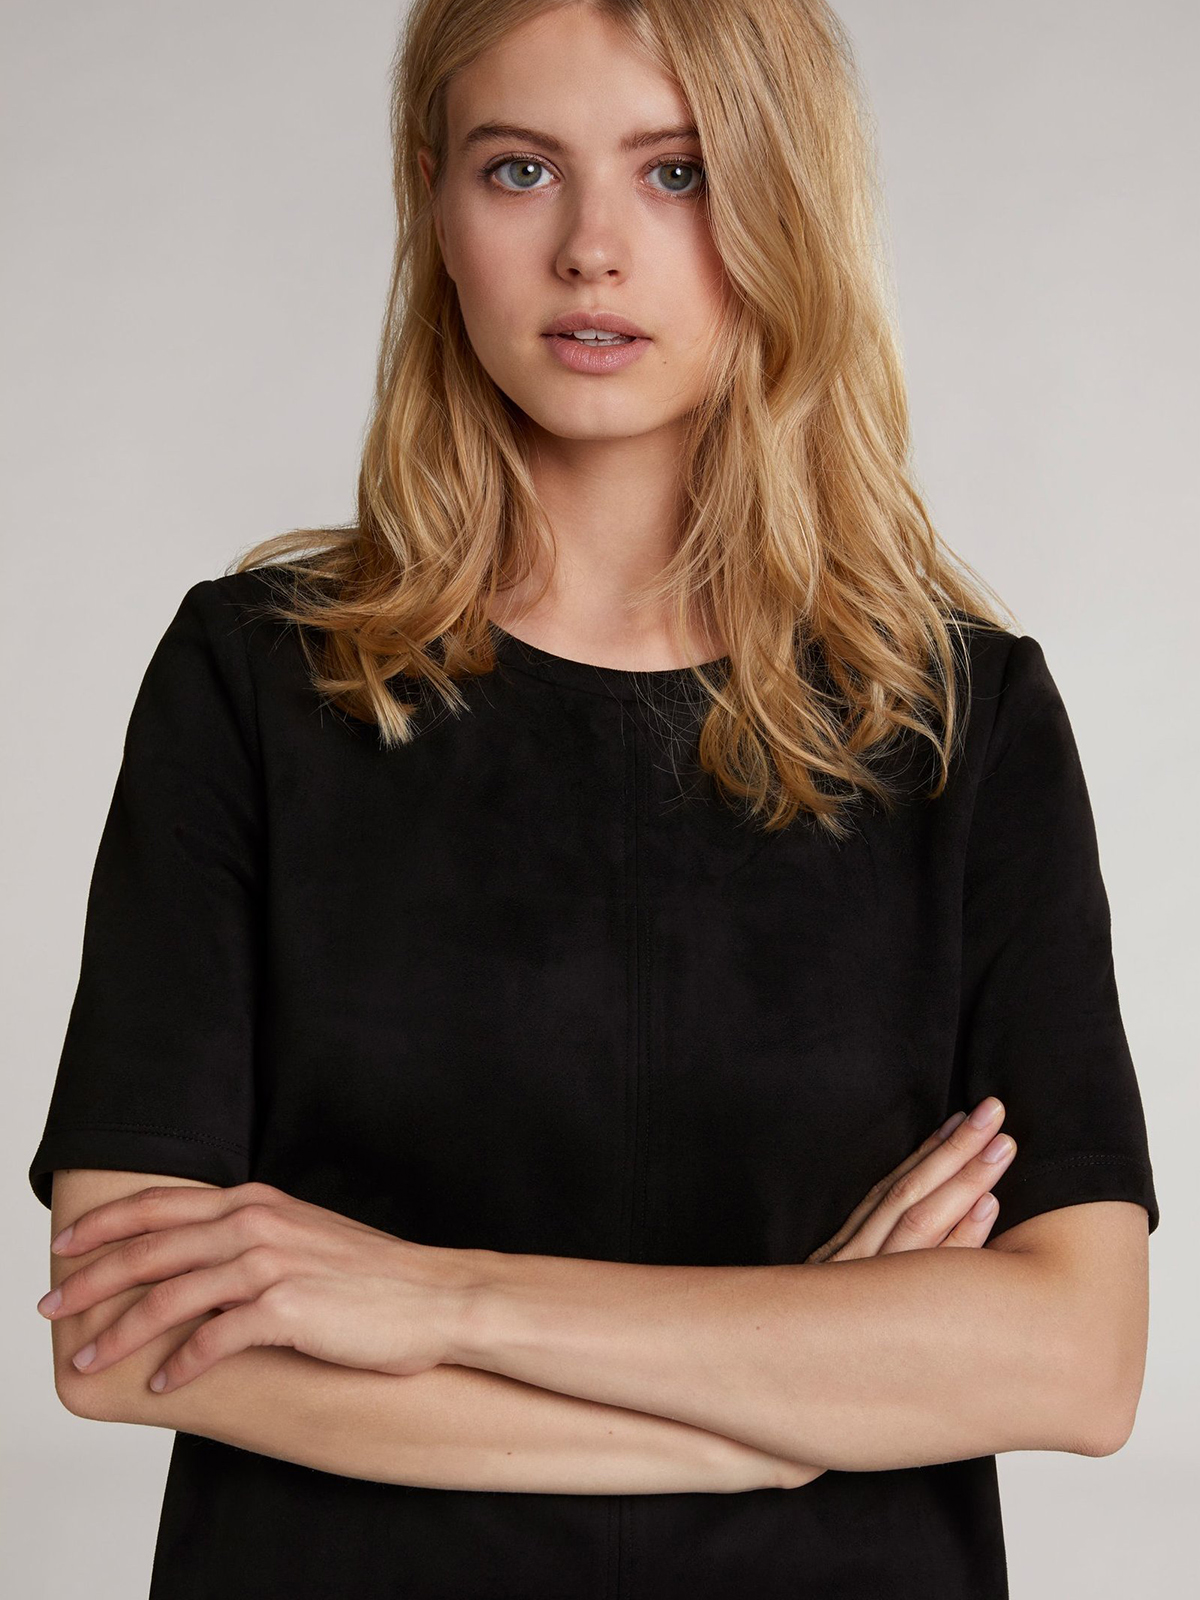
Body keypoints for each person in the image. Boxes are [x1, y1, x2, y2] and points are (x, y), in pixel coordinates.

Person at [30, 2, 1158, 1596]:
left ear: (784, 205)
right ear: (435, 206)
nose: (591, 250)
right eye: (518, 169)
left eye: (677, 172)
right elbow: (127, 1338)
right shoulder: (253, 679)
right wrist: (773, 1418)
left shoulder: (962, 723)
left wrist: (445, 1300)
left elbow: (1075, 1361)